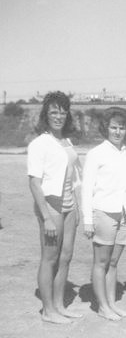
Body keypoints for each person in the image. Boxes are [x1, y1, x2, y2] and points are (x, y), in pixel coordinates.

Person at [27, 91, 82, 324]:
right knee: (50, 257)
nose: (58, 116)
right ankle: (48, 310)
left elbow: (74, 176)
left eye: (62, 111)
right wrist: (47, 217)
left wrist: (77, 206)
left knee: (66, 256)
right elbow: (34, 183)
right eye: (53, 112)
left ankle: (59, 305)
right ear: (45, 115)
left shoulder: (67, 141)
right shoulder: (39, 144)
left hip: (69, 205)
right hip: (51, 206)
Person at [81, 107, 126, 321]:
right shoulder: (96, 154)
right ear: (106, 128)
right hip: (103, 212)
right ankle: (102, 306)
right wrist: (87, 220)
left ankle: (112, 303)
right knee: (101, 262)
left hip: (124, 212)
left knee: (113, 263)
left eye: (122, 127)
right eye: (113, 127)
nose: (118, 131)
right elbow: (86, 189)